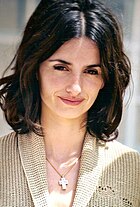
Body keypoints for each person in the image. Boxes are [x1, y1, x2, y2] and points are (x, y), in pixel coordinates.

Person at [0, 0, 140, 206]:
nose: (75, 88)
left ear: (105, 80)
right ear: (35, 68)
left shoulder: (132, 169)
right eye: (61, 67)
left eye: (91, 71)